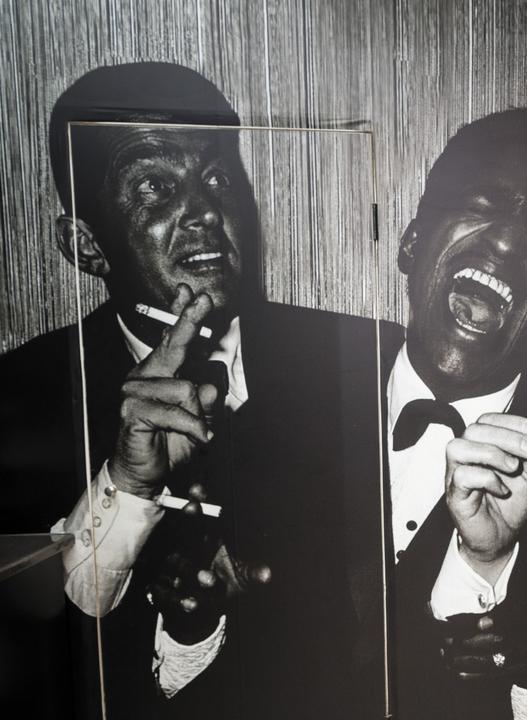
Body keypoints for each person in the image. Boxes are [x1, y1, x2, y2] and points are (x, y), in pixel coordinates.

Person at [0, 62, 384, 718]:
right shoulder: (16, 403)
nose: (204, 210)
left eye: (216, 177)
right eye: (155, 184)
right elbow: (34, 671)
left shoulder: (367, 361)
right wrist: (125, 489)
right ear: (84, 243)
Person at [390, 107, 527, 719]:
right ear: (411, 241)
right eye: (483, 203)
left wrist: (487, 565)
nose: (506, 240)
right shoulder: (290, 394)